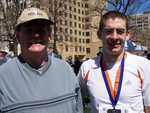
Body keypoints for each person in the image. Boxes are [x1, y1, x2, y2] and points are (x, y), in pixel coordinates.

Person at [0, 7, 83, 113]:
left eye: (41, 30)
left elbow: (78, 108)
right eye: (28, 30)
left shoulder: (66, 70)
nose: (35, 35)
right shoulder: (3, 77)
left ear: (49, 36)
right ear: (18, 36)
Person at [78, 11, 150, 113]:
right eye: (108, 31)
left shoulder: (143, 65)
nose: (114, 37)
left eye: (120, 31)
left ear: (127, 35)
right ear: (99, 34)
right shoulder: (87, 67)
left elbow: (148, 107)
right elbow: (76, 101)